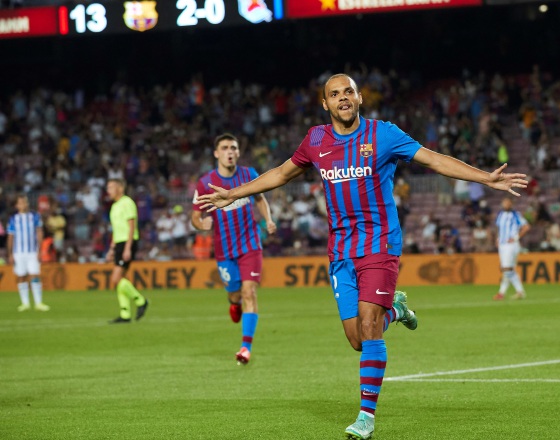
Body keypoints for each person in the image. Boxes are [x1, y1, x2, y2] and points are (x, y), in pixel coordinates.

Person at [196, 74, 528, 440]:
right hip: (340, 251)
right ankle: (397, 311)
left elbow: (433, 160)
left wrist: (485, 178)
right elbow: (281, 173)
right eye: (335, 94)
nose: (343, 98)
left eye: (348, 92)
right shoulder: (316, 139)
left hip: (379, 244)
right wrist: (233, 194)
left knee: (370, 327)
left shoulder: (383, 135)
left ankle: (366, 418)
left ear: (359, 98)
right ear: (325, 104)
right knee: (357, 338)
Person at [191, 133, 277, 365]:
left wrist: (268, 219)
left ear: (238, 152)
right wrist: (201, 225)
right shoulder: (205, 182)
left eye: (234, 147)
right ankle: (234, 303)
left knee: (250, 292)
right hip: (224, 249)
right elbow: (195, 216)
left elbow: (260, 198)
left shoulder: (248, 175)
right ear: (216, 153)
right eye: (225, 148)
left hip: (250, 244)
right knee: (235, 294)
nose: (230, 152)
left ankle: (245, 348)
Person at [105, 178, 149, 324]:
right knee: (119, 280)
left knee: (115, 279)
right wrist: (111, 249)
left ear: (120, 188)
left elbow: (132, 226)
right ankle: (125, 314)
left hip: (126, 242)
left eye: (111, 187)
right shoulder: (114, 206)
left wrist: (128, 247)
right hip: (118, 243)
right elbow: (116, 229)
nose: (108, 190)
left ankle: (140, 300)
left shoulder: (127, 202)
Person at [7, 195, 49, 312]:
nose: (23, 205)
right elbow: (11, 237)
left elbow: (39, 233)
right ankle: (25, 303)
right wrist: (10, 253)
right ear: (17, 205)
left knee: (34, 275)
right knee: (21, 276)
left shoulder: (34, 216)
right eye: (21, 203)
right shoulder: (13, 219)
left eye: (25, 202)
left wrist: (40, 250)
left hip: (32, 251)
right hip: (18, 252)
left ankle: (38, 303)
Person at [493, 197, 530, 300]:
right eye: (504, 202)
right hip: (502, 244)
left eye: (508, 203)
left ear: (511, 204)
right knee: (507, 270)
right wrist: (498, 238)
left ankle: (504, 293)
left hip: (511, 245)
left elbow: (526, 227)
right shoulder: (500, 215)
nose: (506, 204)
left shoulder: (515, 215)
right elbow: (499, 228)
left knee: (507, 269)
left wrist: (515, 238)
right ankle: (516, 292)